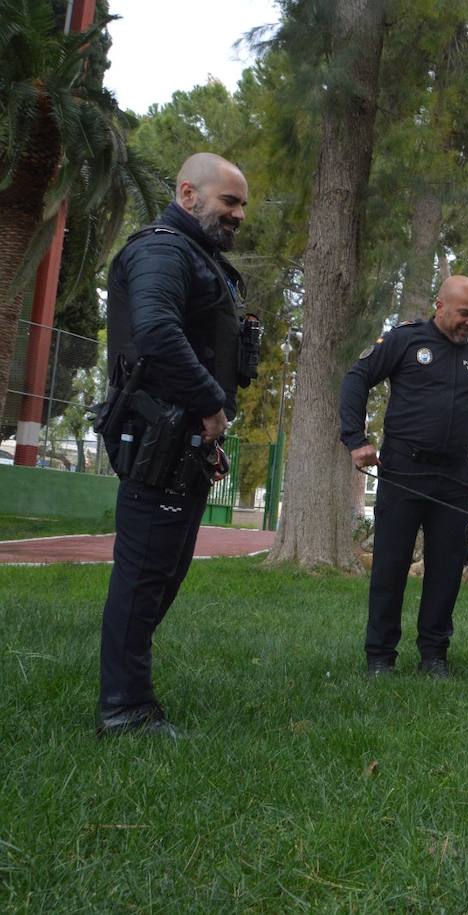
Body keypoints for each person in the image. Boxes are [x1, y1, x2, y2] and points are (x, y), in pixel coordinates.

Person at [96, 152, 257, 737]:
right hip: (158, 437)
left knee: (163, 574)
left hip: (183, 441)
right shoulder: (163, 249)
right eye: (229, 202)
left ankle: (128, 688)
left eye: (242, 204)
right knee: (142, 578)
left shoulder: (199, 257)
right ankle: (124, 710)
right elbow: (157, 331)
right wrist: (211, 404)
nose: (239, 214)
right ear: (188, 194)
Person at [339, 275, 468, 679]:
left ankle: (434, 654)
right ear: (440, 305)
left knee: (446, 568)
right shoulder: (405, 341)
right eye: (464, 313)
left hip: (453, 475)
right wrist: (356, 439)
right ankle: (380, 656)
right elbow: (356, 379)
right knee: (390, 565)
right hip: (404, 468)